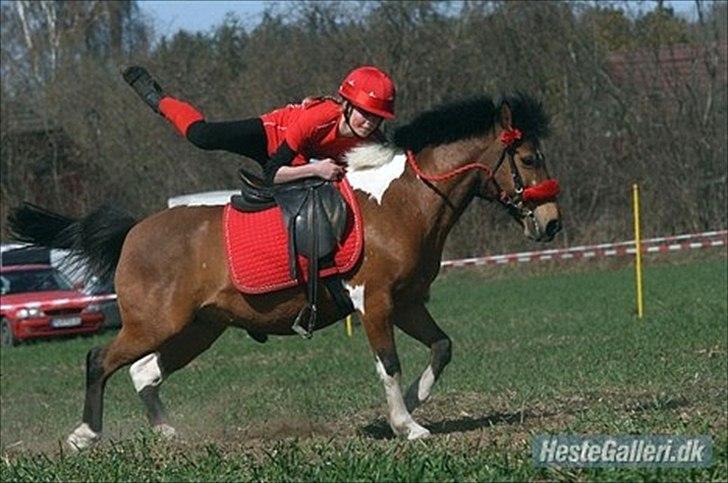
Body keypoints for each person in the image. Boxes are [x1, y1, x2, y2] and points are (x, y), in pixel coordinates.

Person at [122, 65, 395, 186]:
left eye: (376, 117)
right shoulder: (319, 117)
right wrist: (317, 169)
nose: (369, 122)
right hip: (269, 137)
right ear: (346, 105)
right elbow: (272, 174)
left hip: (301, 161)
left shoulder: (372, 143)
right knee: (201, 136)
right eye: (363, 113)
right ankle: (161, 100)